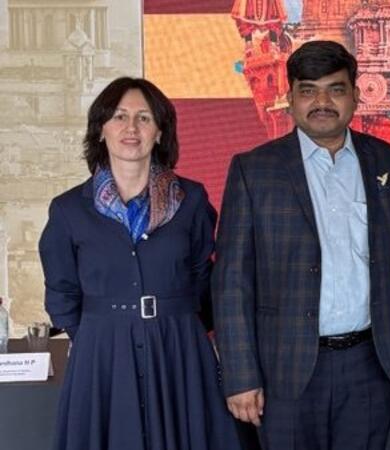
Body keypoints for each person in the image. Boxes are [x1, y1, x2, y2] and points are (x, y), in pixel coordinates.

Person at [213, 40, 390, 449]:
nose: (322, 102)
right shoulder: (254, 170)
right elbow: (231, 283)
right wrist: (240, 375)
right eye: (308, 91)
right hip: (284, 369)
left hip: (372, 364)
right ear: (290, 98)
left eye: (335, 90)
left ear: (355, 96)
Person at [40, 76, 242, 450]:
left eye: (144, 118)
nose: (131, 128)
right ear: (101, 130)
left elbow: (203, 275)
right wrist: (98, 336)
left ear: (160, 132)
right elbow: (61, 292)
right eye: (119, 116)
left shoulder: (192, 199)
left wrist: (180, 326)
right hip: (102, 352)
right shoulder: (68, 210)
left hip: (179, 347)